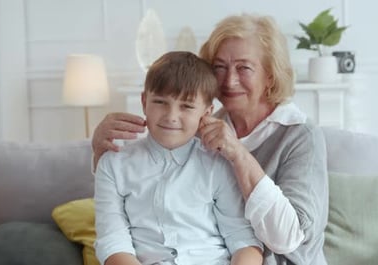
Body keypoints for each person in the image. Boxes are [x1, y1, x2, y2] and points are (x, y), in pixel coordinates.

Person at [92, 14, 329, 265]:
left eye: (244, 67)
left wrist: (238, 154)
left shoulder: (301, 136)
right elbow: (124, 200)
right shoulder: (196, 127)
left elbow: (288, 239)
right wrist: (99, 150)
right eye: (219, 67)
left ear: (270, 75)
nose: (229, 80)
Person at [93, 51, 263, 265]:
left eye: (187, 106)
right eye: (160, 102)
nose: (171, 116)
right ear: (144, 102)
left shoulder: (219, 164)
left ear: (207, 112)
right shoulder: (114, 164)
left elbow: (242, 239)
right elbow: (112, 240)